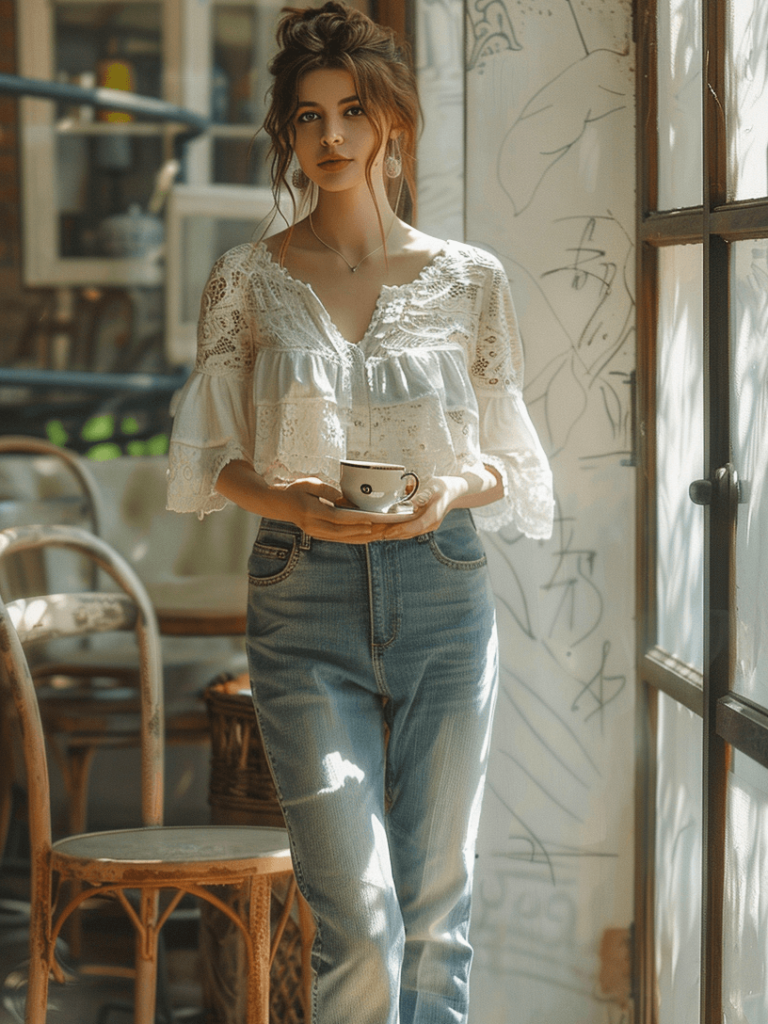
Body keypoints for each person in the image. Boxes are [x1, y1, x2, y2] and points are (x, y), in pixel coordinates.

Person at [167, 3, 553, 1021]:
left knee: (435, 913)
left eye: (350, 113)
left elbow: (508, 463)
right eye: (306, 117)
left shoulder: (471, 280)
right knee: (364, 918)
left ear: (393, 127)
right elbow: (210, 459)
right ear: (287, 136)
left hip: (445, 593)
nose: (329, 137)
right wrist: (278, 493)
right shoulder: (245, 280)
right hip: (304, 597)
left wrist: (447, 488)